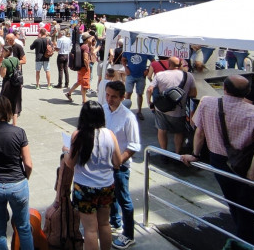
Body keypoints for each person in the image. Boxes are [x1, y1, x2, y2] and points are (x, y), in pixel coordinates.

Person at [180, 75, 254, 247]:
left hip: (218, 160)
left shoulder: (207, 102)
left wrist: (195, 154)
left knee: (232, 200)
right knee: (247, 204)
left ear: (224, 89)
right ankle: (246, 241)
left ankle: (244, 240)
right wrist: (252, 171)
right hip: (246, 163)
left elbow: (198, 132)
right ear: (247, 92)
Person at [64, 101, 121, 250]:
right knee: (104, 223)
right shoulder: (110, 135)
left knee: (90, 229)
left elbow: (71, 163)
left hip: (84, 187)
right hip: (106, 185)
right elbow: (117, 162)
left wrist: (66, 153)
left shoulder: (78, 135)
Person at [0, 96, 33, 250]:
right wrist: (24, 178)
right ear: (9, 112)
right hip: (17, 183)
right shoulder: (19, 132)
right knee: (23, 227)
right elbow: (28, 163)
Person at [102, 82, 140, 249]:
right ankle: (115, 221)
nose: (109, 99)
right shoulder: (104, 109)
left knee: (124, 198)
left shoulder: (128, 117)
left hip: (120, 167)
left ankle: (129, 234)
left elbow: (133, 145)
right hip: (104, 164)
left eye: (114, 97)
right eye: (107, 95)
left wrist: (119, 161)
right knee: (111, 196)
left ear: (122, 97)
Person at [146, 57, 196, 154]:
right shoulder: (188, 76)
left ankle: (164, 152)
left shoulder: (160, 75)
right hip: (179, 111)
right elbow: (193, 93)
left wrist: (149, 102)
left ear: (168, 64)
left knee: (162, 130)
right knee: (179, 132)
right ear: (180, 64)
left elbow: (149, 89)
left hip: (162, 109)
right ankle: (177, 153)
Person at [66, 32, 94, 104]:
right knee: (84, 84)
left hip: (79, 67)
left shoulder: (81, 45)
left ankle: (69, 93)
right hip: (84, 67)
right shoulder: (85, 47)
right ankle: (84, 101)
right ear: (87, 39)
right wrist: (87, 66)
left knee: (79, 82)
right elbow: (85, 58)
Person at [0, 45, 23, 126]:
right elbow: (19, 69)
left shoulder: (5, 61)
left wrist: (1, 67)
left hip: (8, 84)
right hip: (16, 83)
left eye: (3, 51)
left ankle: (3, 122)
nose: (2, 52)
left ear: (7, 51)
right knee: (15, 103)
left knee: (4, 102)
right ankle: (14, 124)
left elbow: (3, 74)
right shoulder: (16, 59)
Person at [122, 51, 150, 120]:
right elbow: (123, 59)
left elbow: (153, 61)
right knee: (128, 93)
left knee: (140, 94)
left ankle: (139, 111)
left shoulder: (145, 51)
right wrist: (125, 68)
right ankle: (126, 111)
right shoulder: (128, 50)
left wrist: (148, 69)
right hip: (130, 75)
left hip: (141, 76)